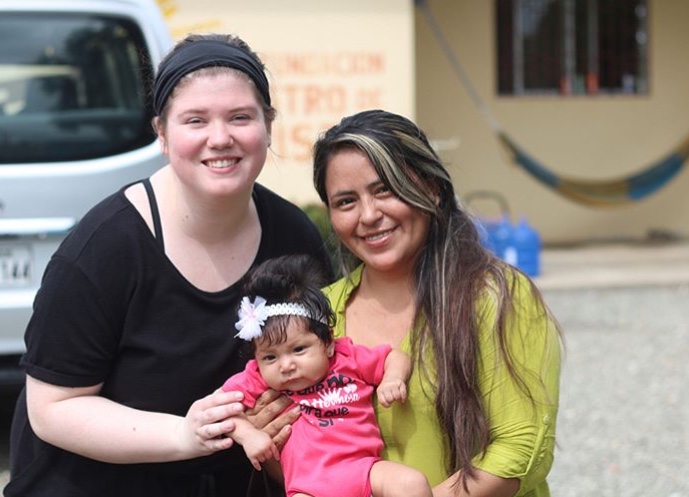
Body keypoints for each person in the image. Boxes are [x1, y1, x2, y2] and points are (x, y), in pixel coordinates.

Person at [5, 33, 333, 497]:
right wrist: (186, 434)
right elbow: (53, 408)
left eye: (240, 117)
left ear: (269, 124)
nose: (220, 138)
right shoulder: (105, 248)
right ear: (161, 133)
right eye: (195, 120)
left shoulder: (293, 237)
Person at [312, 109, 562, 497]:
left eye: (385, 189)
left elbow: (518, 448)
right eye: (346, 201)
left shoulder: (497, 295)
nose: (369, 215)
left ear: (431, 188)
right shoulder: (318, 316)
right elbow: (305, 454)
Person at [221, 254, 433, 497]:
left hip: (363, 469)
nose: (286, 365)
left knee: (411, 483)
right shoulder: (257, 377)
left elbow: (395, 357)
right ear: (257, 359)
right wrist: (247, 435)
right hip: (308, 486)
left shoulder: (346, 357)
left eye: (299, 349)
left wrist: (393, 378)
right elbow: (222, 408)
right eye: (270, 357)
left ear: (328, 342)